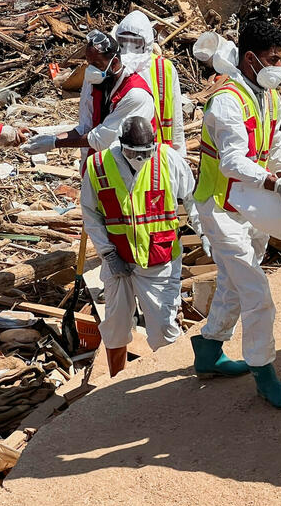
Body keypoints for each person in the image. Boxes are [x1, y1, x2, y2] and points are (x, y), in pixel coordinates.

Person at [191, 19, 281, 411]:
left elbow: (273, 144)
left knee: (234, 282)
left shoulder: (268, 94)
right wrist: (276, 184)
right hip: (220, 207)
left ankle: (208, 350)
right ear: (251, 58)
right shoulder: (226, 100)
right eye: (274, 60)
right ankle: (264, 372)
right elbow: (233, 161)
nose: (280, 66)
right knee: (257, 294)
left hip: (249, 204)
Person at [81, 116, 197, 377]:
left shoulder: (167, 159)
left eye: (147, 151)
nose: (142, 157)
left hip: (159, 260)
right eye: (135, 152)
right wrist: (108, 255)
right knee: (115, 324)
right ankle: (115, 381)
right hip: (118, 259)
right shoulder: (98, 166)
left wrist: (207, 233)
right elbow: (91, 214)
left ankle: (168, 382)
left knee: (163, 327)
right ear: (122, 145)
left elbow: (192, 198)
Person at [22, 30, 155, 165]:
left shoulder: (135, 95)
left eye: (96, 64)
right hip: (100, 163)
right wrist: (51, 139)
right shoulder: (96, 80)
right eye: (89, 63)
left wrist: (54, 142)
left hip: (130, 166)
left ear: (114, 63)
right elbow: (86, 127)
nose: (91, 70)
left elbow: (102, 139)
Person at [114, 10, 186, 155]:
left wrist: (179, 155)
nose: (128, 49)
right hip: (121, 150)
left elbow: (176, 117)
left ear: (146, 43)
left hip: (158, 150)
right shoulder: (113, 66)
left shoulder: (164, 68)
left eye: (135, 44)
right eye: (123, 43)